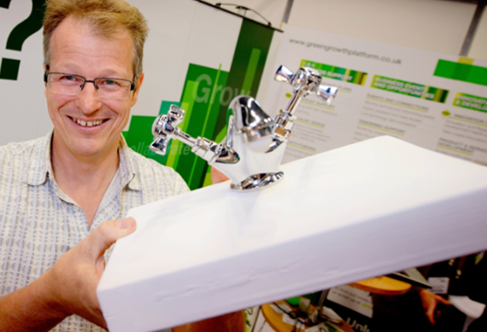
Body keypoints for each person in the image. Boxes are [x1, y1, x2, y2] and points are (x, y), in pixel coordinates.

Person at [0, 0, 243, 331]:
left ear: (136, 89)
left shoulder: (171, 195)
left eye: (109, 82)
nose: (88, 104)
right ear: (46, 80)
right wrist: (50, 297)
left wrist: (227, 246)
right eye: (70, 77)